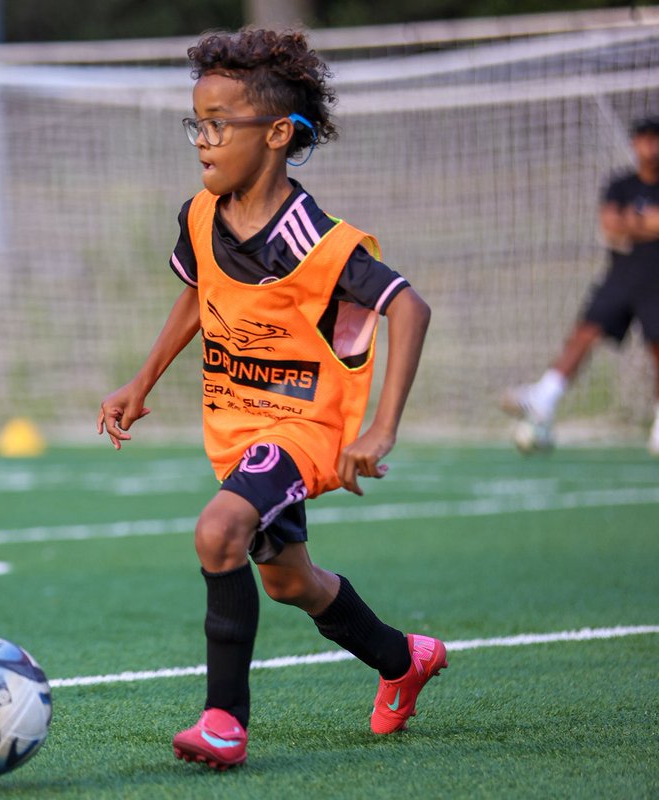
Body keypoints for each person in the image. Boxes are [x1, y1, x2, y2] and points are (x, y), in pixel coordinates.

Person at [96, 27, 442, 771]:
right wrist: (141, 382)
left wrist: (379, 430)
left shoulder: (321, 242)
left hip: (305, 425)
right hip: (237, 429)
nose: (203, 140)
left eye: (220, 124)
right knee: (289, 581)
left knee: (218, 531)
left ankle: (224, 722)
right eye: (198, 123)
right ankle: (401, 658)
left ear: (279, 133)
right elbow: (198, 296)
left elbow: (409, 308)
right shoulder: (199, 215)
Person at [501, 116, 659, 455]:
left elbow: (625, 224)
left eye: (655, 139)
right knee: (584, 333)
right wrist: (647, 222)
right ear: (635, 144)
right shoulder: (620, 184)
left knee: (657, 350)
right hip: (621, 276)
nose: (650, 146)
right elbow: (611, 226)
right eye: (644, 139)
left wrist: (633, 222)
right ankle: (544, 398)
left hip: (656, 278)